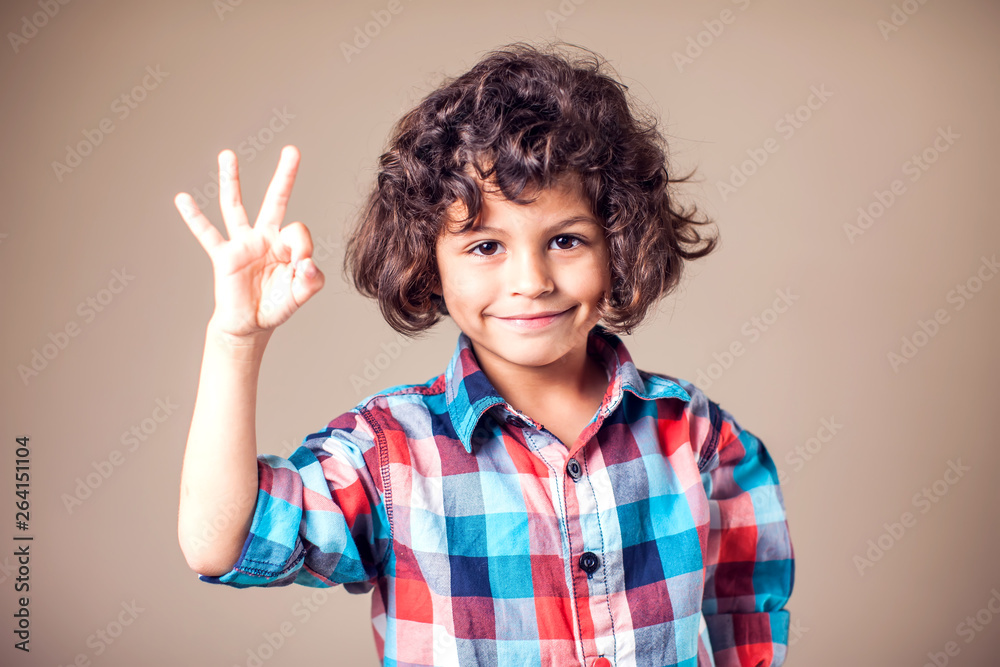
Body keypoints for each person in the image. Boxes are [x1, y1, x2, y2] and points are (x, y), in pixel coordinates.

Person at [174, 41, 794, 667]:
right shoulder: (390, 454)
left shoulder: (696, 434)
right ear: (428, 261)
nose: (531, 280)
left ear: (619, 245)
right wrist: (235, 340)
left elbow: (745, 615)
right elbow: (219, 544)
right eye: (485, 247)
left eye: (567, 239)